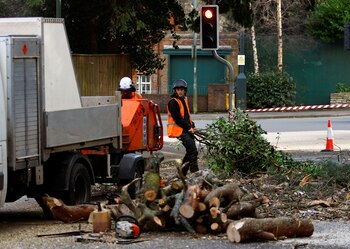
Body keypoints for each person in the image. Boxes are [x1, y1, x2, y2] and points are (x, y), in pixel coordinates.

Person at [167, 79, 199, 176]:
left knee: (191, 151)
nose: (180, 91)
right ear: (175, 90)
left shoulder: (184, 100)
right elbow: (178, 119)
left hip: (185, 129)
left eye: (182, 89)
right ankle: (195, 173)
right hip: (179, 131)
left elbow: (186, 116)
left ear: (185, 90)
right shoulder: (173, 102)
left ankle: (182, 174)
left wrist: (192, 126)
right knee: (193, 150)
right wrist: (189, 128)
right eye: (178, 89)